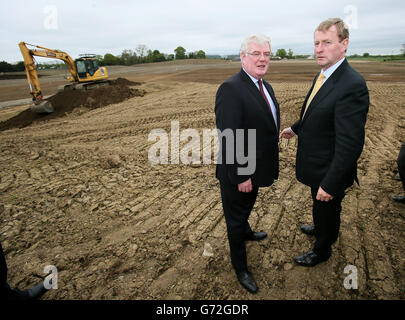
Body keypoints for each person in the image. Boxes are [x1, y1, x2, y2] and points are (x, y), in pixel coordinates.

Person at [280, 18, 369, 267]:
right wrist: (296, 128)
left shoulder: (351, 85)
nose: (319, 49)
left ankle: (322, 249)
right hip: (317, 163)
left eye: (327, 42)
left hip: (330, 168)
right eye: (316, 43)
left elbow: (350, 143)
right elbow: (315, 111)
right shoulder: (325, 74)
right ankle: (321, 228)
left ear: (344, 44)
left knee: (328, 205)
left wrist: (330, 183)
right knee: (319, 206)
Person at [215, 34, 280, 293]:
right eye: (256, 53)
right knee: (235, 219)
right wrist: (242, 175)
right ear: (243, 57)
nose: (262, 58)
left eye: (266, 54)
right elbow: (229, 135)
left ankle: (248, 230)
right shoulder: (231, 88)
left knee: (246, 207)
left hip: (257, 167)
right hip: (238, 172)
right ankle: (240, 267)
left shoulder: (263, 85)